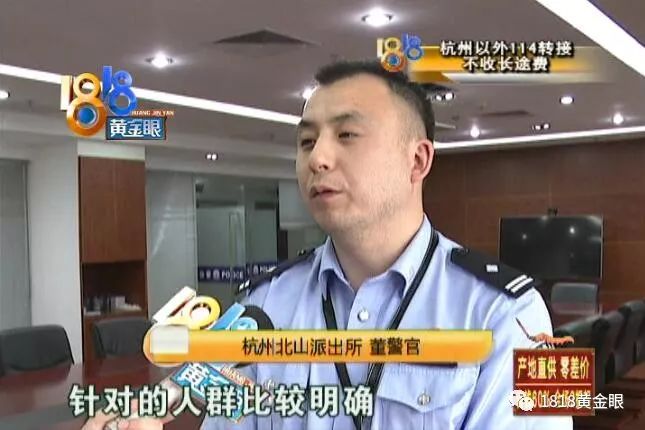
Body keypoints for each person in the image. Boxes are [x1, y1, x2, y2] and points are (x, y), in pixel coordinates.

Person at [83, 60, 573, 429]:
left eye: (347, 134)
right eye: (306, 142)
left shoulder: (517, 313)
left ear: (418, 161)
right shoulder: (262, 304)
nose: (318, 158)